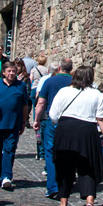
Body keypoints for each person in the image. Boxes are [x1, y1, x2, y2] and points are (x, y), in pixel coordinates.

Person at [48, 65, 103, 206]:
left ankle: (63, 204)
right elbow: (101, 119)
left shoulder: (64, 91)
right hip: (87, 133)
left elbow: (53, 115)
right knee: (87, 168)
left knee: (64, 168)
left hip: (66, 131)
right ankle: (89, 202)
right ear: (91, 78)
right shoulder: (96, 94)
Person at [32, 58, 73, 198]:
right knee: (67, 153)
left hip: (53, 121)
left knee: (50, 152)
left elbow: (41, 103)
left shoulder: (50, 81)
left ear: (59, 68)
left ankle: (53, 186)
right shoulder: (74, 82)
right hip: (71, 122)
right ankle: (66, 184)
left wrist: (36, 119)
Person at [0, 61, 30, 190]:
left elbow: (24, 105)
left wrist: (24, 122)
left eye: (13, 71)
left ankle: (6, 176)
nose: (11, 73)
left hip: (13, 123)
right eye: (9, 71)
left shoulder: (21, 86)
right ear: (4, 72)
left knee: (10, 149)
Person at [28, 54, 49, 160]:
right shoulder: (47, 70)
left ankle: (35, 120)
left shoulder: (34, 69)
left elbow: (31, 79)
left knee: (35, 108)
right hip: (43, 91)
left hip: (35, 90)